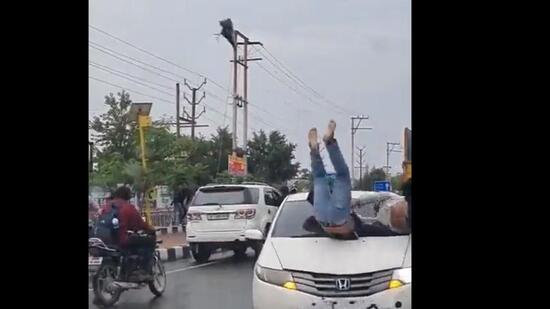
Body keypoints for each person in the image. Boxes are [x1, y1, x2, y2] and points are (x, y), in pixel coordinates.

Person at [308, 120, 356, 239]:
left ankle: (329, 143)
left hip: (339, 218)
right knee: (319, 177)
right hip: (320, 215)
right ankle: (314, 151)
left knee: (342, 175)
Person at [110, 186, 156, 280]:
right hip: (121, 240)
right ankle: (143, 271)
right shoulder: (128, 208)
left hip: (104, 240)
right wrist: (151, 230)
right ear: (127, 196)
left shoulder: (106, 206)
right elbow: (140, 224)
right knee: (150, 241)